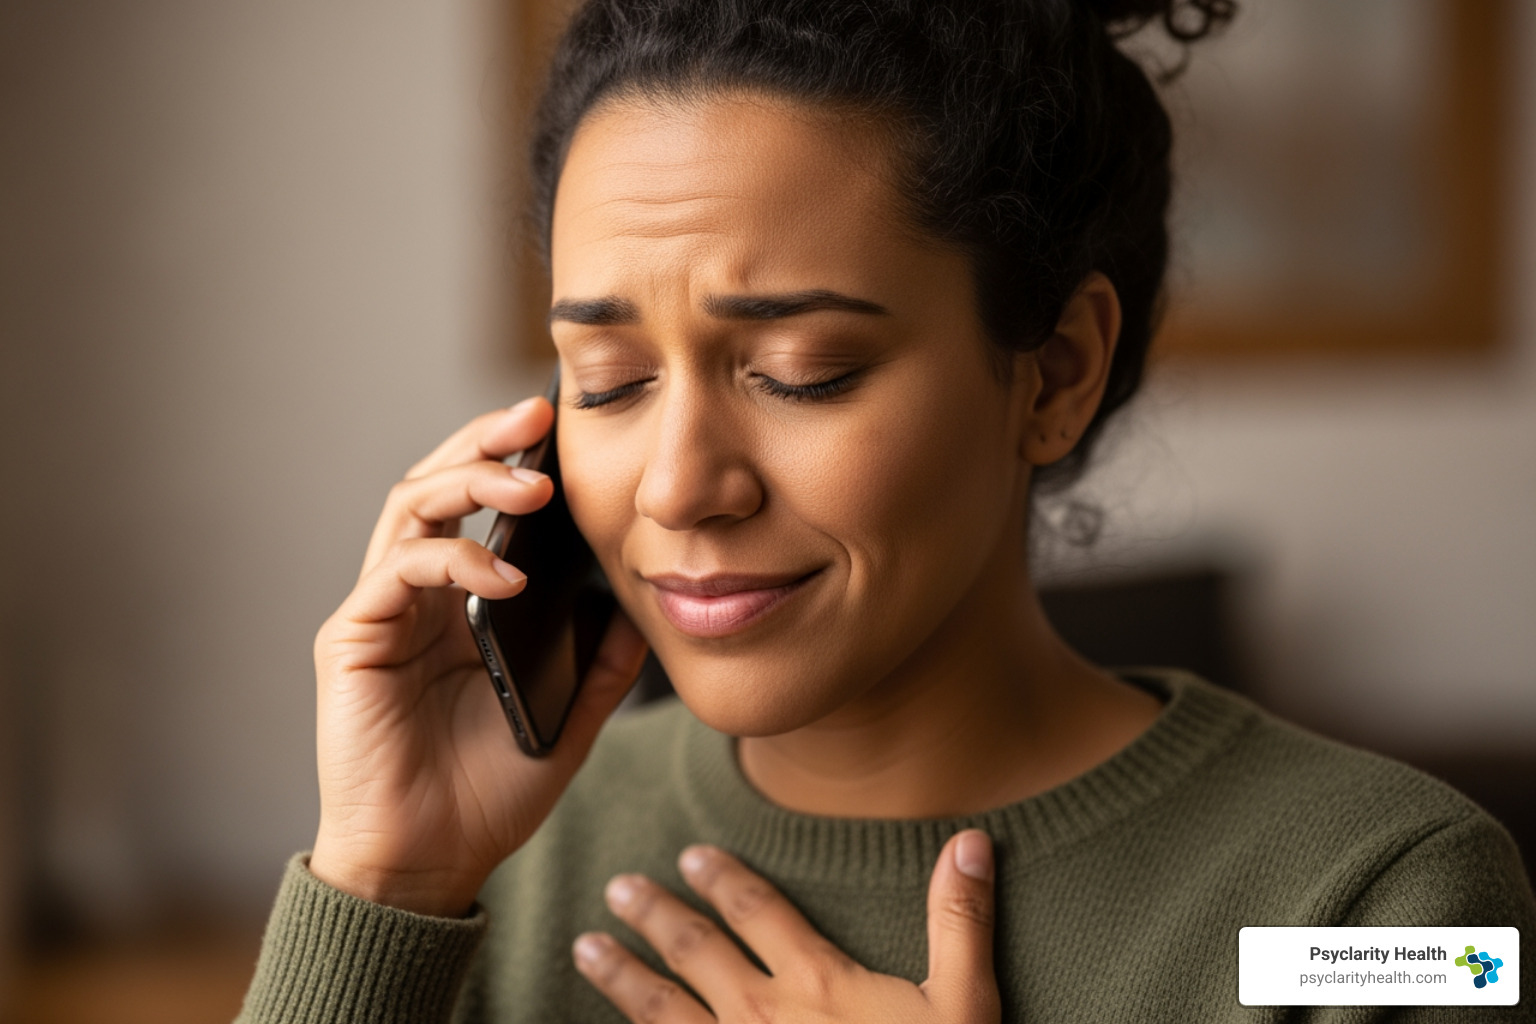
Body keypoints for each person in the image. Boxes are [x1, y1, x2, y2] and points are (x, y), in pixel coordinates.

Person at [237, 0, 1536, 1020]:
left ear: (1056, 373)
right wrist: (382, 890)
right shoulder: (493, 862)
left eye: (804, 373)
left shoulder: (1395, 913)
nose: (683, 485)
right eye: (609, 380)